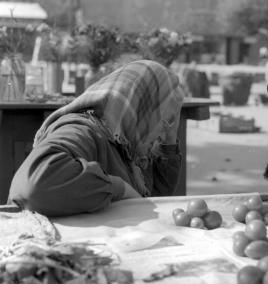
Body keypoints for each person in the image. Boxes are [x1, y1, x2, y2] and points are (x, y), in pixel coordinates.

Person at [8, 60, 185, 216]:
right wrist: (120, 189)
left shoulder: (127, 144)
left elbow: (156, 202)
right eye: (163, 121)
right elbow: (33, 186)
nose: (162, 134)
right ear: (143, 111)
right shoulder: (83, 130)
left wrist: (170, 137)